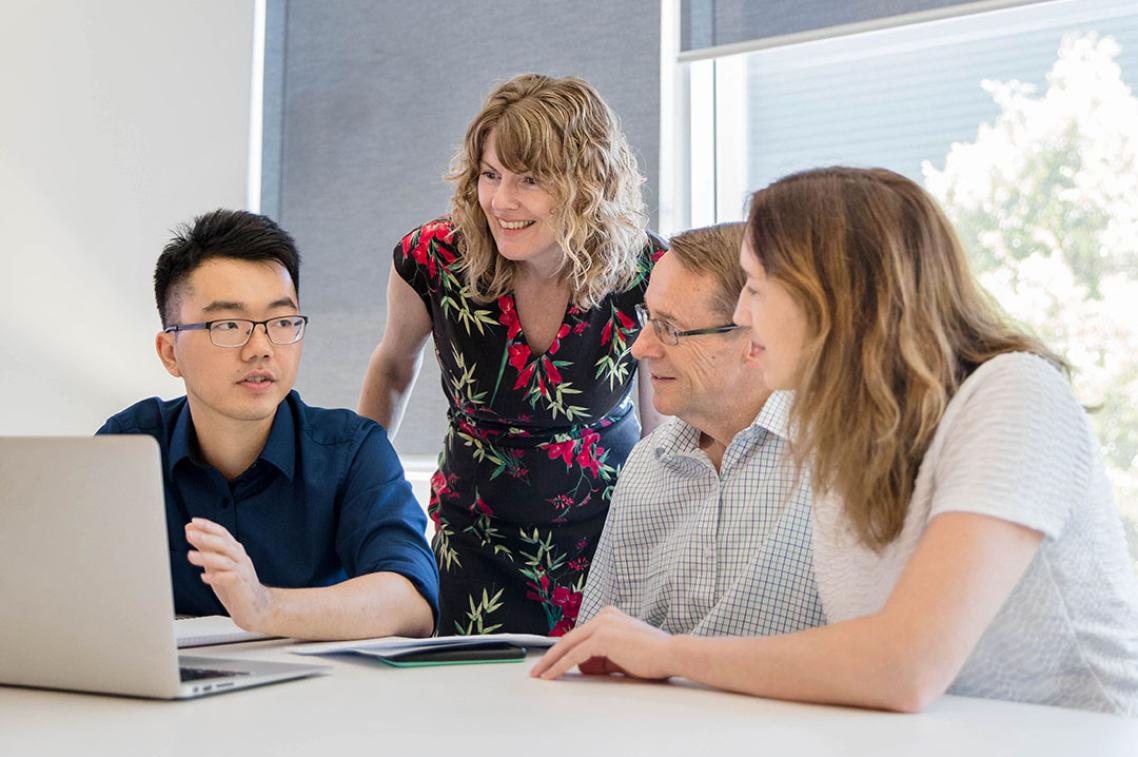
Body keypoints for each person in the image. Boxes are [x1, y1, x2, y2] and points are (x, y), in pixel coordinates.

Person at [532, 167, 1138, 716]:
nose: (744, 312)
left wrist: (670, 654)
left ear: (830, 294)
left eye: (756, 285)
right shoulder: (846, 438)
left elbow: (904, 666)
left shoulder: (1013, 395)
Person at [358, 73, 667, 636]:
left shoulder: (646, 271)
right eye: (491, 174)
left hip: (603, 542)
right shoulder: (432, 258)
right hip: (471, 539)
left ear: (586, 183)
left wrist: (666, 537)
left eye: (530, 180)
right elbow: (393, 366)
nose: (502, 201)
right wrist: (354, 483)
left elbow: (661, 431)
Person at [98, 209, 438, 641]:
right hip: (163, 695)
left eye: (281, 323)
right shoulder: (128, 445)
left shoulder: (351, 451)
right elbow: (68, 583)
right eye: (229, 325)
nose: (260, 349)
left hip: (314, 697)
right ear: (170, 352)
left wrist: (264, 606)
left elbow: (411, 601)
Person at [579, 222, 824, 636]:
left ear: (755, 338)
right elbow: (597, 650)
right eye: (647, 318)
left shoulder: (839, 463)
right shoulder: (647, 465)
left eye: (670, 329)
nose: (640, 348)